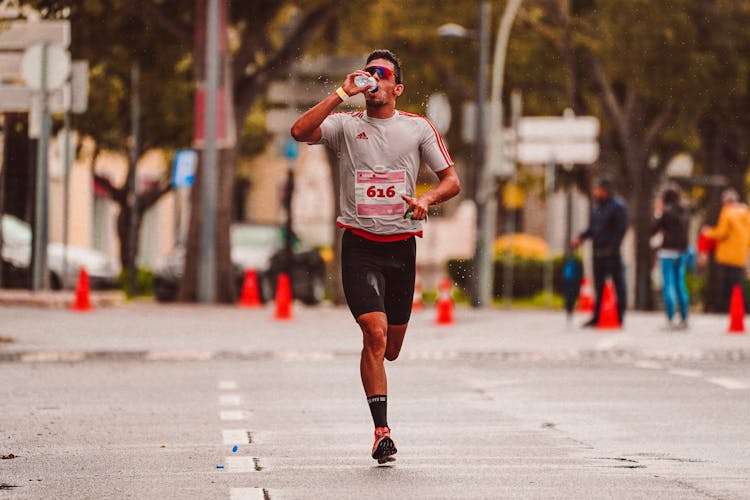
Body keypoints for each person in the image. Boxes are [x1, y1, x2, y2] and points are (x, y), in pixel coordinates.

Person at [290, 49, 461, 463]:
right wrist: (339, 92)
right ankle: (381, 431)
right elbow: (299, 131)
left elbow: (451, 181)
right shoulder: (346, 125)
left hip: (402, 247)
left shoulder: (418, 129)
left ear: (397, 88)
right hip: (359, 246)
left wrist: (427, 199)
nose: (373, 80)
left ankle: (380, 391)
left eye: (381, 75)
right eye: (368, 74)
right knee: (375, 334)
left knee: (393, 348)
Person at [571, 177, 628, 327]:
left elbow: (620, 229)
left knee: (617, 284)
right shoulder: (598, 207)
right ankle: (597, 316)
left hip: (611, 253)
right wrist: (581, 238)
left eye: (598, 189)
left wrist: (613, 246)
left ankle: (619, 315)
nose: (595, 192)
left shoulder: (618, 207)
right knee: (598, 285)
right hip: (598, 251)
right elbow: (593, 229)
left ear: (605, 190)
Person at [701, 188, 750, 313]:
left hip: (728, 254)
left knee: (728, 283)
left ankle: (726, 308)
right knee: (738, 283)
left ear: (727, 201)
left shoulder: (727, 212)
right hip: (740, 253)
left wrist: (708, 232)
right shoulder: (745, 212)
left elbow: (722, 232)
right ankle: (742, 307)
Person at [650, 186, 690, 329]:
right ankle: (684, 316)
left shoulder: (666, 211)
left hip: (667, 251)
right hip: (682, 251)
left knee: (668, 284)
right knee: (680, 283)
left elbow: (654, 229)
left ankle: (670, 316)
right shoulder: (685, 210)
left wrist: (657, 213)